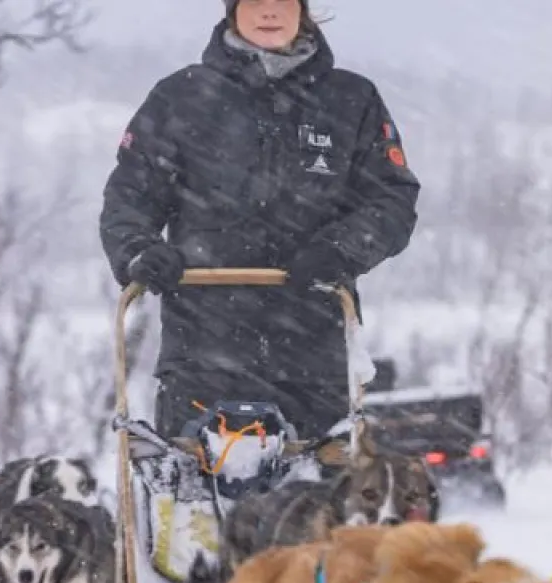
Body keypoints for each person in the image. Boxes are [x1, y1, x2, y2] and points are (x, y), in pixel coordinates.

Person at [100, 0, 420, 442]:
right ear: (232, 9)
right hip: (202, 351)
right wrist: (139, 249)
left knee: (316, 503)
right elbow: (130, 195)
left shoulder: (351, 99)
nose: (269, 11)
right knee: (198, 501)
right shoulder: (181, 97)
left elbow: (392, 199)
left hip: (313, 350)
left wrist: (341, 249)